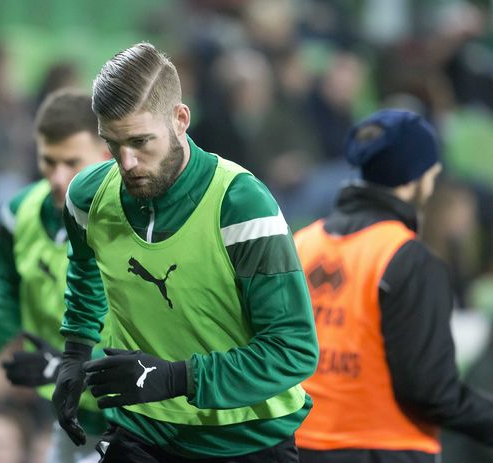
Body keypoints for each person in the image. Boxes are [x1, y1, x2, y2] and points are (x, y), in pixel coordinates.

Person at [52, 42, 318, 462]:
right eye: (113, 143)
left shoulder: (241, 204)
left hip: (248, 441)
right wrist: (74, 354)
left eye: (141, 141)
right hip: (141, 429)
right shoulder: (87, 198)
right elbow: (85, 272)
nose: (128, 162)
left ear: (180, 119)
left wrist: (177, 378)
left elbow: (293, 350)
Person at [293, 109, 493, 463]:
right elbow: (432, 392)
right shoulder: (408, 258)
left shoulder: (301, 244)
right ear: (416, 178)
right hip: (381, 449)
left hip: (297, 445)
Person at [0, 89, 110, 463]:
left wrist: (64, 366)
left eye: (72, 163)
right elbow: (8, 292)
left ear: (106, 156)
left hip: (136, 416)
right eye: (49, 163)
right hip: (65, 409)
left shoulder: (134, 226)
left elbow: (157, 339)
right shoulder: (21, 213)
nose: (57, 177)